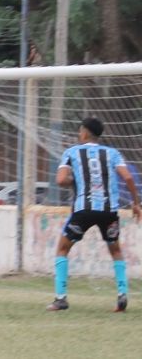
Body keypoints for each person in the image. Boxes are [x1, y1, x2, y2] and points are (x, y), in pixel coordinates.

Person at [46, 118, 140, 312]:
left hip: (84, 211)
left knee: (63, 248)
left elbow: (61, 180)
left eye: (81, 130)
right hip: (109, 211)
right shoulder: (112, 153)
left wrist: (77, 181)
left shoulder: (71, 152)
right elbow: (128, 177)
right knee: (115, 251)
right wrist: (136, 203)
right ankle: (122, 295)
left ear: (85, 132)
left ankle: (60, 298)